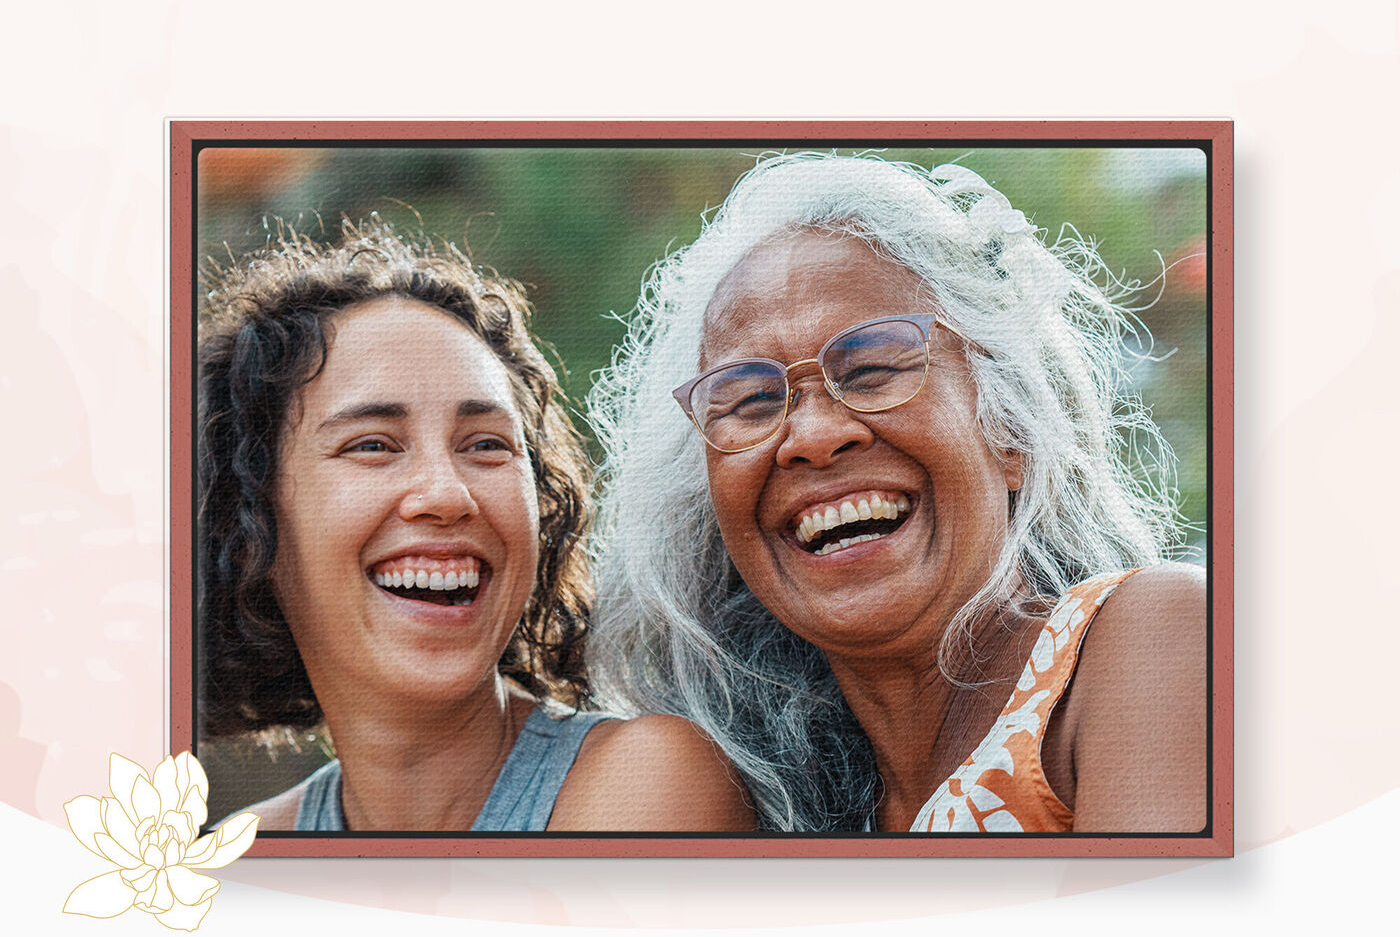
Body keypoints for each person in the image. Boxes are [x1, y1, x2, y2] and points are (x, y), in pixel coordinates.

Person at [587, 153, 1206, 833]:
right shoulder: (762, 811)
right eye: (754, 401)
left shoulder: (1152, 635)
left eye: (875, 368)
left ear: (1012, 434)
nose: (813, 436)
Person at [198, 218, 754, 831]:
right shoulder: (241, 860)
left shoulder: (646, 785)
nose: (448, 494)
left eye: (487, 444)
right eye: (374, 446)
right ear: (248, 522)